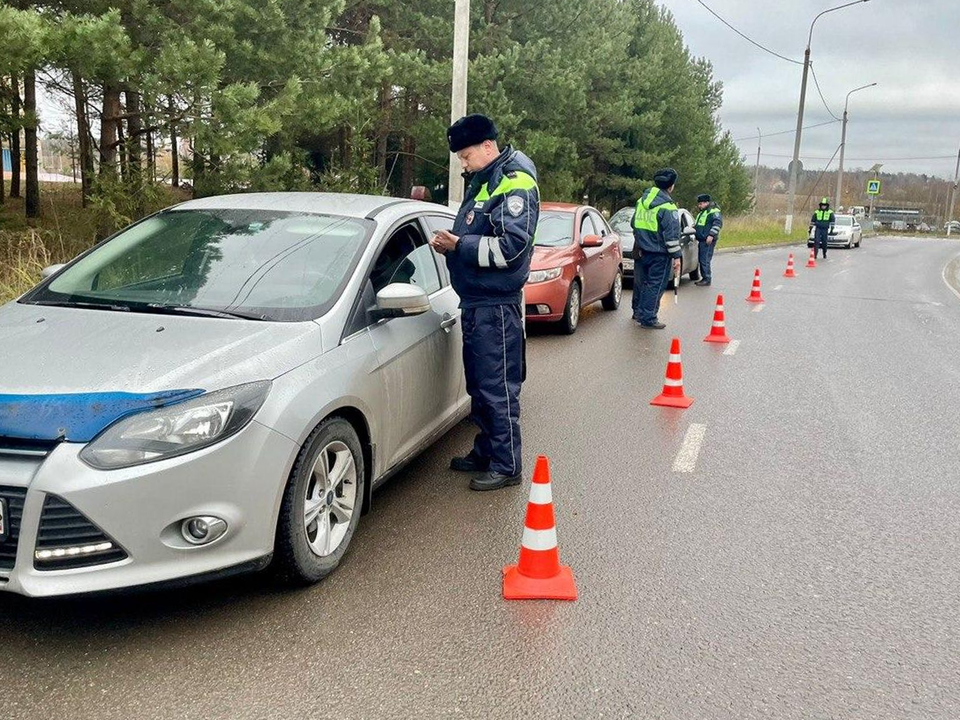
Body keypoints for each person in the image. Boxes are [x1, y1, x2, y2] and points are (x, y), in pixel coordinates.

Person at [429, 114, 540, 492]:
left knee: (498, 389)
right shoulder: (485, 181)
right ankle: (486, 450)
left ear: (488, 147)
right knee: (479, 387)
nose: (463, 162)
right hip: (477, 303)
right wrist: (452, 244)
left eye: (465, 155)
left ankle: (508, 465)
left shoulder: (515, 184)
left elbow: (512, 249)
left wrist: (459, 245)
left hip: (496, 306)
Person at [631, 168, 682, 329]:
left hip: (640, 250)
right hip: (659, 254)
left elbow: (634, 223)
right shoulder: (668, 207)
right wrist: (677, 257)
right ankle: (648, 318)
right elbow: (672, 236)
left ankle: (638, 312)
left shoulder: (641, 202)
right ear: (671, 186)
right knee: (655, 285)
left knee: (641, 283)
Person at [694, 193, 723, 287]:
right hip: (702, 240)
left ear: (706, 202)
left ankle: (707, 279)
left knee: (704, 259)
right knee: (702, 259)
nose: (699, 206)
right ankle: (705, 278)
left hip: (708, 240)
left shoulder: (713, 211)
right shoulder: (703, 212)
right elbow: (700, 224)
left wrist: (711, 235)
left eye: (701, 204)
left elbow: (717, 224)